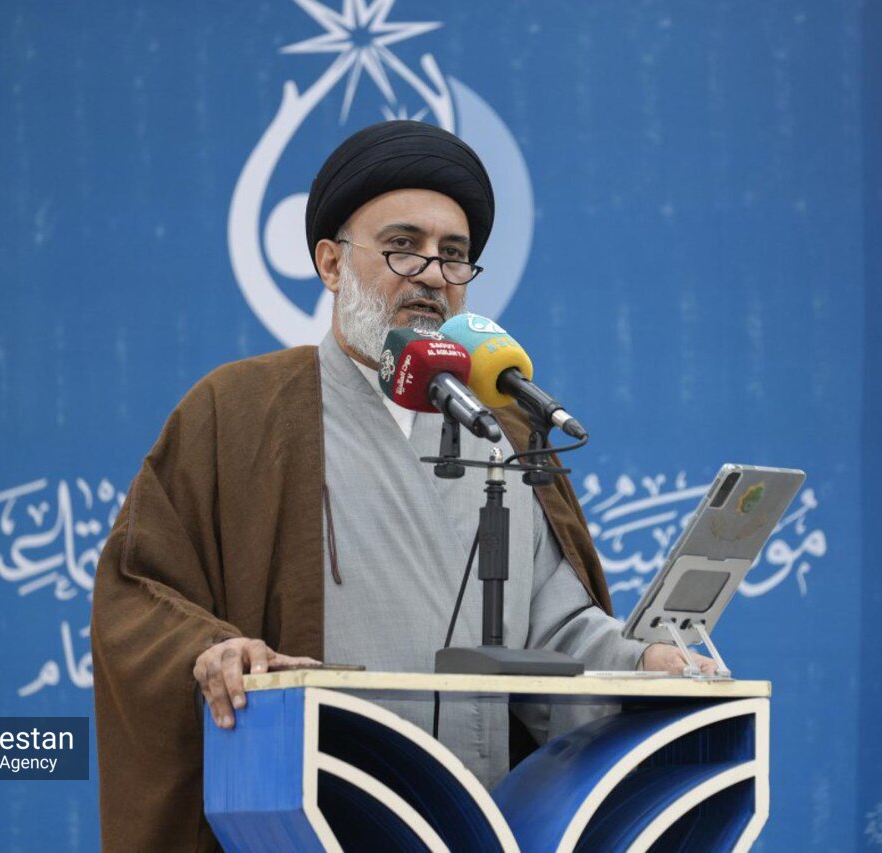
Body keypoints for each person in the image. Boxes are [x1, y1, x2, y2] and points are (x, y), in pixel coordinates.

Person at [90, 120, 710, 852]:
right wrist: (217, 650)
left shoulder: (506, 427)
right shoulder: (240, 411)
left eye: (453, 254)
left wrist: (643, 662)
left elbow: (557, 629)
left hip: (485, 821)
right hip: (317, 819)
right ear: (331, 262)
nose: (432, 273)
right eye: (403, 246)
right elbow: (138, 590)